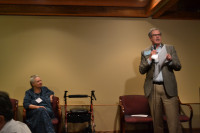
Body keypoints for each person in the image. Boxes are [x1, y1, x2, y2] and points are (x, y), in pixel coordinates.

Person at [139, 28, 182, 133]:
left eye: (159, 34)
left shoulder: (170, 48)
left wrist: (170, 61)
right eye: (154, 35)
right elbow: (141, 70)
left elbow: (178, 66)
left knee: (173, 120)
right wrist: (150, 59)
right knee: (157, 121)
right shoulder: (145, 52)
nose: (157, 36)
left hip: (168, 88)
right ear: (150, 38)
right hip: (153, 88)